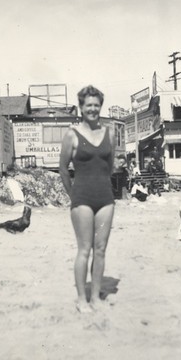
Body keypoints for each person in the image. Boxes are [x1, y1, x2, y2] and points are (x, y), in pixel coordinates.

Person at [59, 85, 115, 313]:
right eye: (88, 105)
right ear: (81, 107)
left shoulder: (109, 132)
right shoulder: (72, 134)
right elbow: (63, 169)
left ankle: (96, 297)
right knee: (84, 249)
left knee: (100, 249)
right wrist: (73, 195)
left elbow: (109, 167)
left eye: (96, 105)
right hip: (81, 198)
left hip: (105, 199)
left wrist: (101, 186)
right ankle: (82, 299)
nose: (93, 109)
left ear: (100, 106)